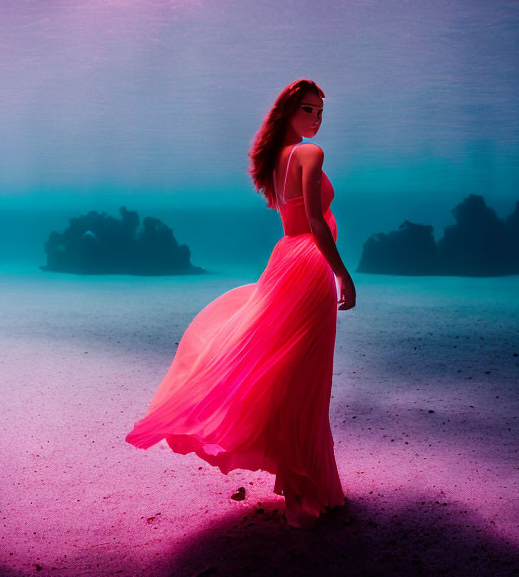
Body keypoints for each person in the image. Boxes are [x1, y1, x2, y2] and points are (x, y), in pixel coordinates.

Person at [125, 78, 357, 529]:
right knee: (307, 378)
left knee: (292, 373)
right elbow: (313, 220)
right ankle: (309, 493)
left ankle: (307, 490)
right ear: (288, 110)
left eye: (321, 112)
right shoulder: (311, 154)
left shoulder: (274, 162)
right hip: (308, 264)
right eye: (310, 110)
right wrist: (342, 272)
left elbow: (294, 219)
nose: (317, 119)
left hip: (286, 259)